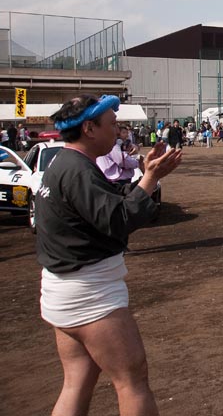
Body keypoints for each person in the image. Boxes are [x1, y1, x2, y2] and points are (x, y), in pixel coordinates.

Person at [35, 94, 182, 416]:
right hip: (89, 293)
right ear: (89, 128)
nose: (118, 132)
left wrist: (145, 175)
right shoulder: (78, 171)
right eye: (112, 125)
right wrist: (151, 179)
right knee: (132, 380)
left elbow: (107, 209)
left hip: (62, 289)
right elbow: (119, 220)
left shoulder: (63, 162)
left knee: (77, 381)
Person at [96, 125, 144, 189]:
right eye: (123, 132)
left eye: (127, 133)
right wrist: (137, 162)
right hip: (118, 181)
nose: (126, 135)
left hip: (112, 179)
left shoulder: (102, 142)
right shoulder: (112, 144)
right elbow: (122, 160)